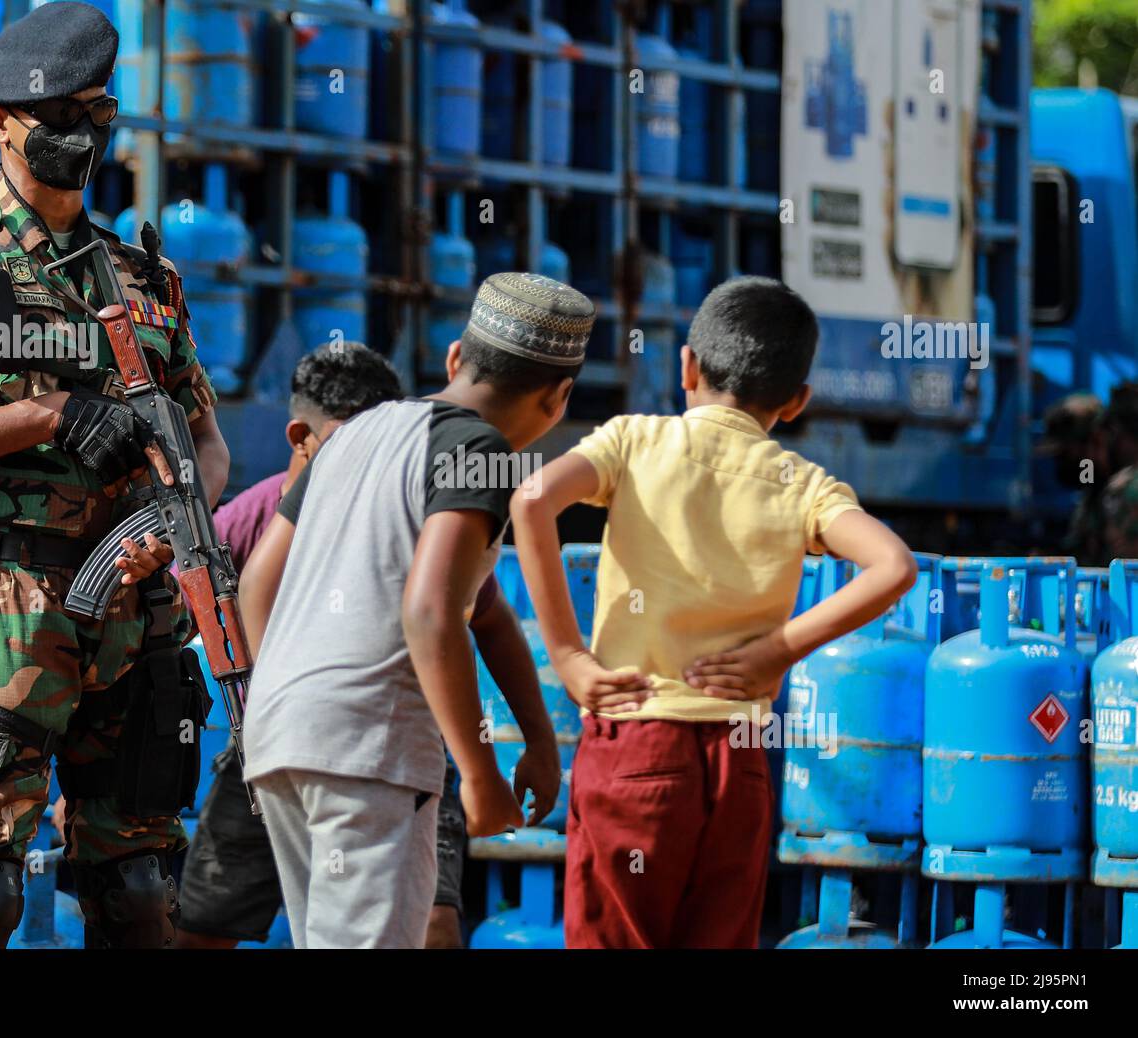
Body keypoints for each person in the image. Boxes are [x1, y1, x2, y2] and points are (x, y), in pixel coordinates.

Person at [0, 2, 228, 948]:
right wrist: (44, 414)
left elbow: (206, 443)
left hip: (138, 612)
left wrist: (165, 530)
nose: (77, 137)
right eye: (54, 118)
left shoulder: (146, 281)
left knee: (142, 882)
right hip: (12, 602)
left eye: (94, 115)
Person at [510, 276, 917, 949]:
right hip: (741, 758)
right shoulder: (803, 484)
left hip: (636, 743)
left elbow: (529, 502)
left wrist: (569, 657)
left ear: (688, 366)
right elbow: (894, 566)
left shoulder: (634, 441)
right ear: (796, 402)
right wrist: (777, 650)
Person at [237, 272, 587, 948]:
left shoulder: (349, 437)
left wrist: (539, 738)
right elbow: (431, 612)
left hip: (280, 735)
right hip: (369, 751)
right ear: (557, 399)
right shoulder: (481, 453)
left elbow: (257, 583)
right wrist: (481, 773)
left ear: (456, 358)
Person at [175, 342, 479, 949]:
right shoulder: (245, 522)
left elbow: (465, 615)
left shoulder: (416, 505)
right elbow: (169, 636)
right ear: (300, 437)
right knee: (201, 927)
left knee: (434, 924)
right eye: (349, 441)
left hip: (392, 739)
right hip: (271, 739)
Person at [1039, 385, 1138, 564]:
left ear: (1096, 439)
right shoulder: (1094, 494)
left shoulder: (1127, 491)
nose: (1064, 464)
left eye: (1068, 454)